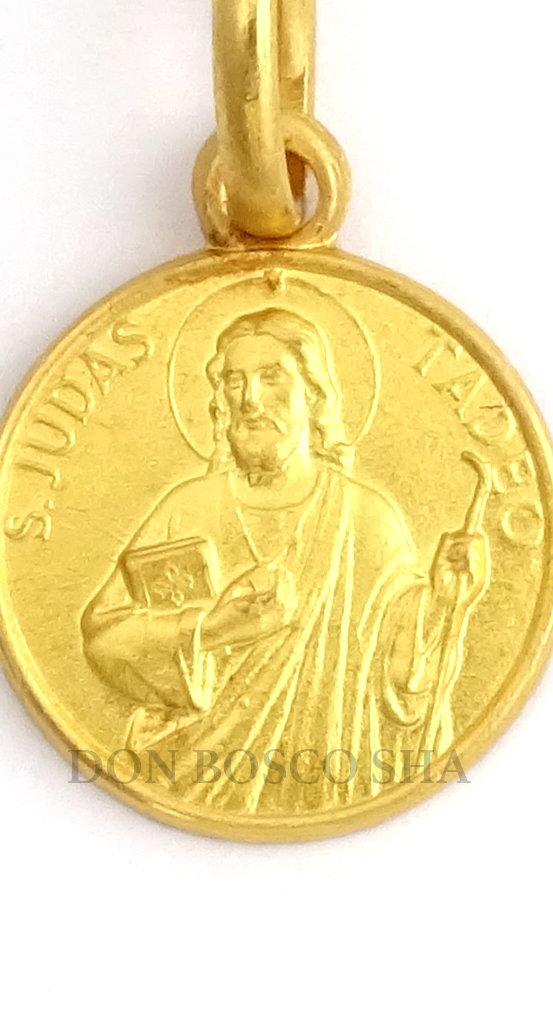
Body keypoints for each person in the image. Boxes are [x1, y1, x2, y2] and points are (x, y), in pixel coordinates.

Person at [81, 307, 488, 813]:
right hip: (186, 780)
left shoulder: (367, 518)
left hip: (329, 771)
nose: (250, 399)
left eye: (272, 377)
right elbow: (103, 638)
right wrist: (207, 632)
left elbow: (403, 676)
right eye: (234, 381)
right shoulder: (187, 509)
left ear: (313, 395)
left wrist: (443, 605)